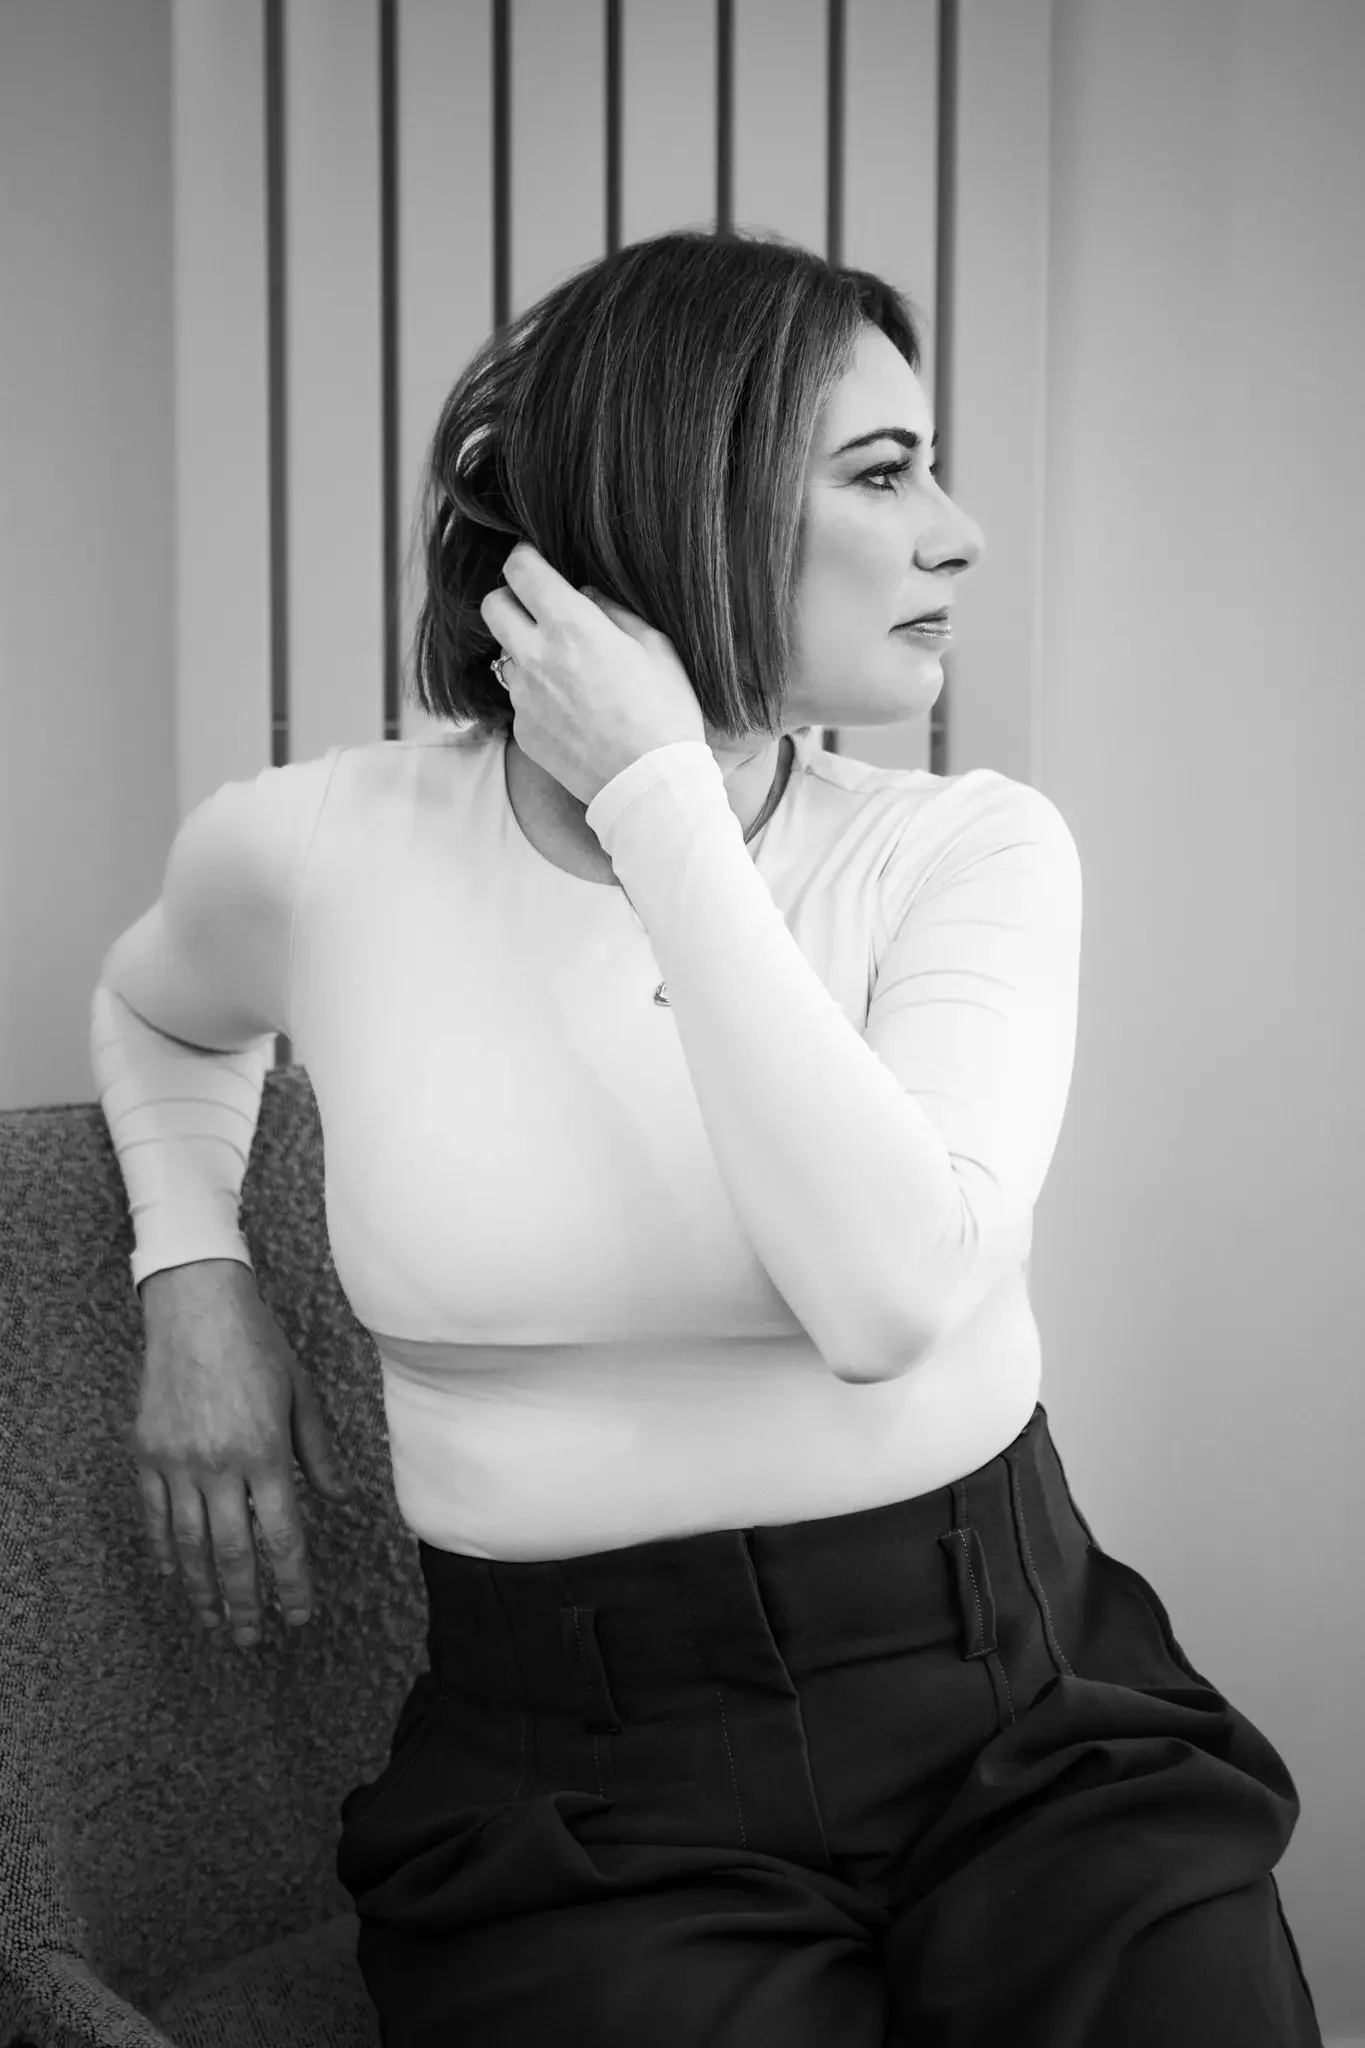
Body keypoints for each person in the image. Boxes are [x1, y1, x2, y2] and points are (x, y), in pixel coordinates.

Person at [89, 229, 1321, 2047]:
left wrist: (662, 796)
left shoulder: (967, 852)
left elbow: (891, 1300)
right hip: (579, 1787)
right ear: (696, 494)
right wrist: (193, 1275)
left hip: (1017, 1701)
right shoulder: (312, 851)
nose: (957, 532)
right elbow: (158, 1009)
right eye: (886, 474)